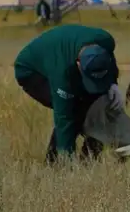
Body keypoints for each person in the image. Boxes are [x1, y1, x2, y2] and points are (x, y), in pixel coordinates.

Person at [13, 24, 123, 164]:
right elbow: (63, 117)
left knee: (101, 108)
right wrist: (67, 162)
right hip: (32, 72)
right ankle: (55, 163)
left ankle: (89, 162)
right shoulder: (62, 73)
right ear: (78, 65)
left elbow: (109, 60)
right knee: (74, 111)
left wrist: (113, 83)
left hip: (67, 57)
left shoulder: (106, 41)